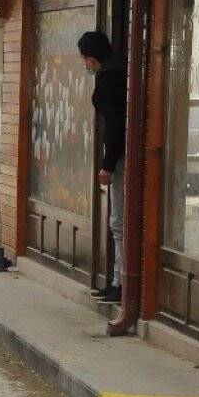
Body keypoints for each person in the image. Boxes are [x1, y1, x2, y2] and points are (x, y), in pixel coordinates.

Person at [79, 31, 127, 305]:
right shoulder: (117, 72)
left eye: (84, 59)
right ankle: (118, 282)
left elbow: (115, 126)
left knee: (118, 222)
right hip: (120, 155)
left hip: (120, 158)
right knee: (118, 222)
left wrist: (108, 165)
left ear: (91, 58)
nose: (85, 64)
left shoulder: (110, 79)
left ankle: (121, 284)